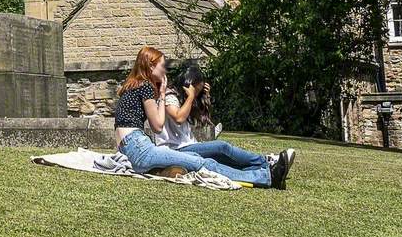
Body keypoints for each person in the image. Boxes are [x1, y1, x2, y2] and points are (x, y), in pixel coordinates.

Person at [113, 46, 290, 189]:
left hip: (130, 147)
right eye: (162, 66)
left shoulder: (130, 87)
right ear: (151, 66)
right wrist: (160, 93)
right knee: (203, 163)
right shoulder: (145, 87)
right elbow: (158, 126)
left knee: (209, 159)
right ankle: (267, 176)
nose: (165, 71)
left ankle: (264, 170)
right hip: (140, 147)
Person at [157, 61, 297, 182]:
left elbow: (201, 119)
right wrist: (191, 97)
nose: (196, 95)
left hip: (188, 145)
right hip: (176, 149)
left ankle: (268, 170)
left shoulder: (184, 98)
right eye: (197, 90)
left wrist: (204, 97)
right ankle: (266, 162)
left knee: (224, 160)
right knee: (222, 147)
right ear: (189, 84)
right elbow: (178, 117)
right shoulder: (170, 95)